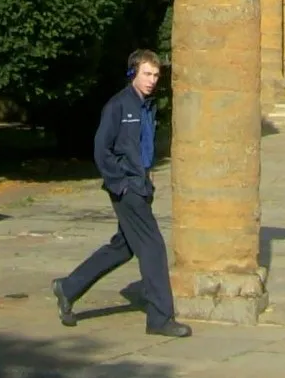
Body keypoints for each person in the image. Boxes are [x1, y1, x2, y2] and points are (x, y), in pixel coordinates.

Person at [52, 48, 191, 338]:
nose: (152, 80)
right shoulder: (118, 106)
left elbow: (143, 147)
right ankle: (160, 318)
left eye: (155, 75)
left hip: (141, 186)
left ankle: (68, 287)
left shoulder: (147, 106)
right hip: (126, 189)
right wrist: (121, 183)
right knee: (153, 248)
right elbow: (101, 150)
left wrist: (147, 177)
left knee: (123, 247)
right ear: (132, 74)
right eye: (146, 74)